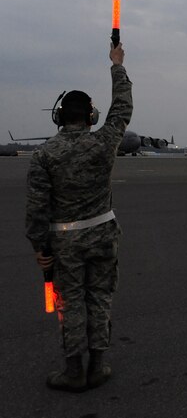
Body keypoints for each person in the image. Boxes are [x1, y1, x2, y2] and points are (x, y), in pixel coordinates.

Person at [25, 43, 132, 392]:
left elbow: (37, 207)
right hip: (103, 234)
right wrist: (116, 65)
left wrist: (40, 246)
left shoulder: (44, 154)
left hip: (65, 241)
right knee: (99, 297)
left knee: (69, 303)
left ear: (58, 117)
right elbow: (122, 106)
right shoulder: (103, 142)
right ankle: (98, 365)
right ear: (90, 117)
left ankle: (74, 370)